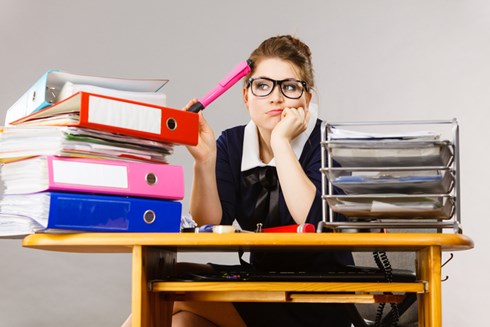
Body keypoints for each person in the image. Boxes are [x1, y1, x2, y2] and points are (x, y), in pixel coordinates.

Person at [172, 35, 354, 327]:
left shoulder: (324, 143)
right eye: (262, 85)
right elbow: (208, 222)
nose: (276, 97)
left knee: (174, 298)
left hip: (318, 297)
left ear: (307, 99)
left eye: (290, 87)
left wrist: (281, 143)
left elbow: (313, 220)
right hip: (257, 283)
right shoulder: (232, 143)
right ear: (246, 95)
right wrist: (204, 161)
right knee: (176, 309)